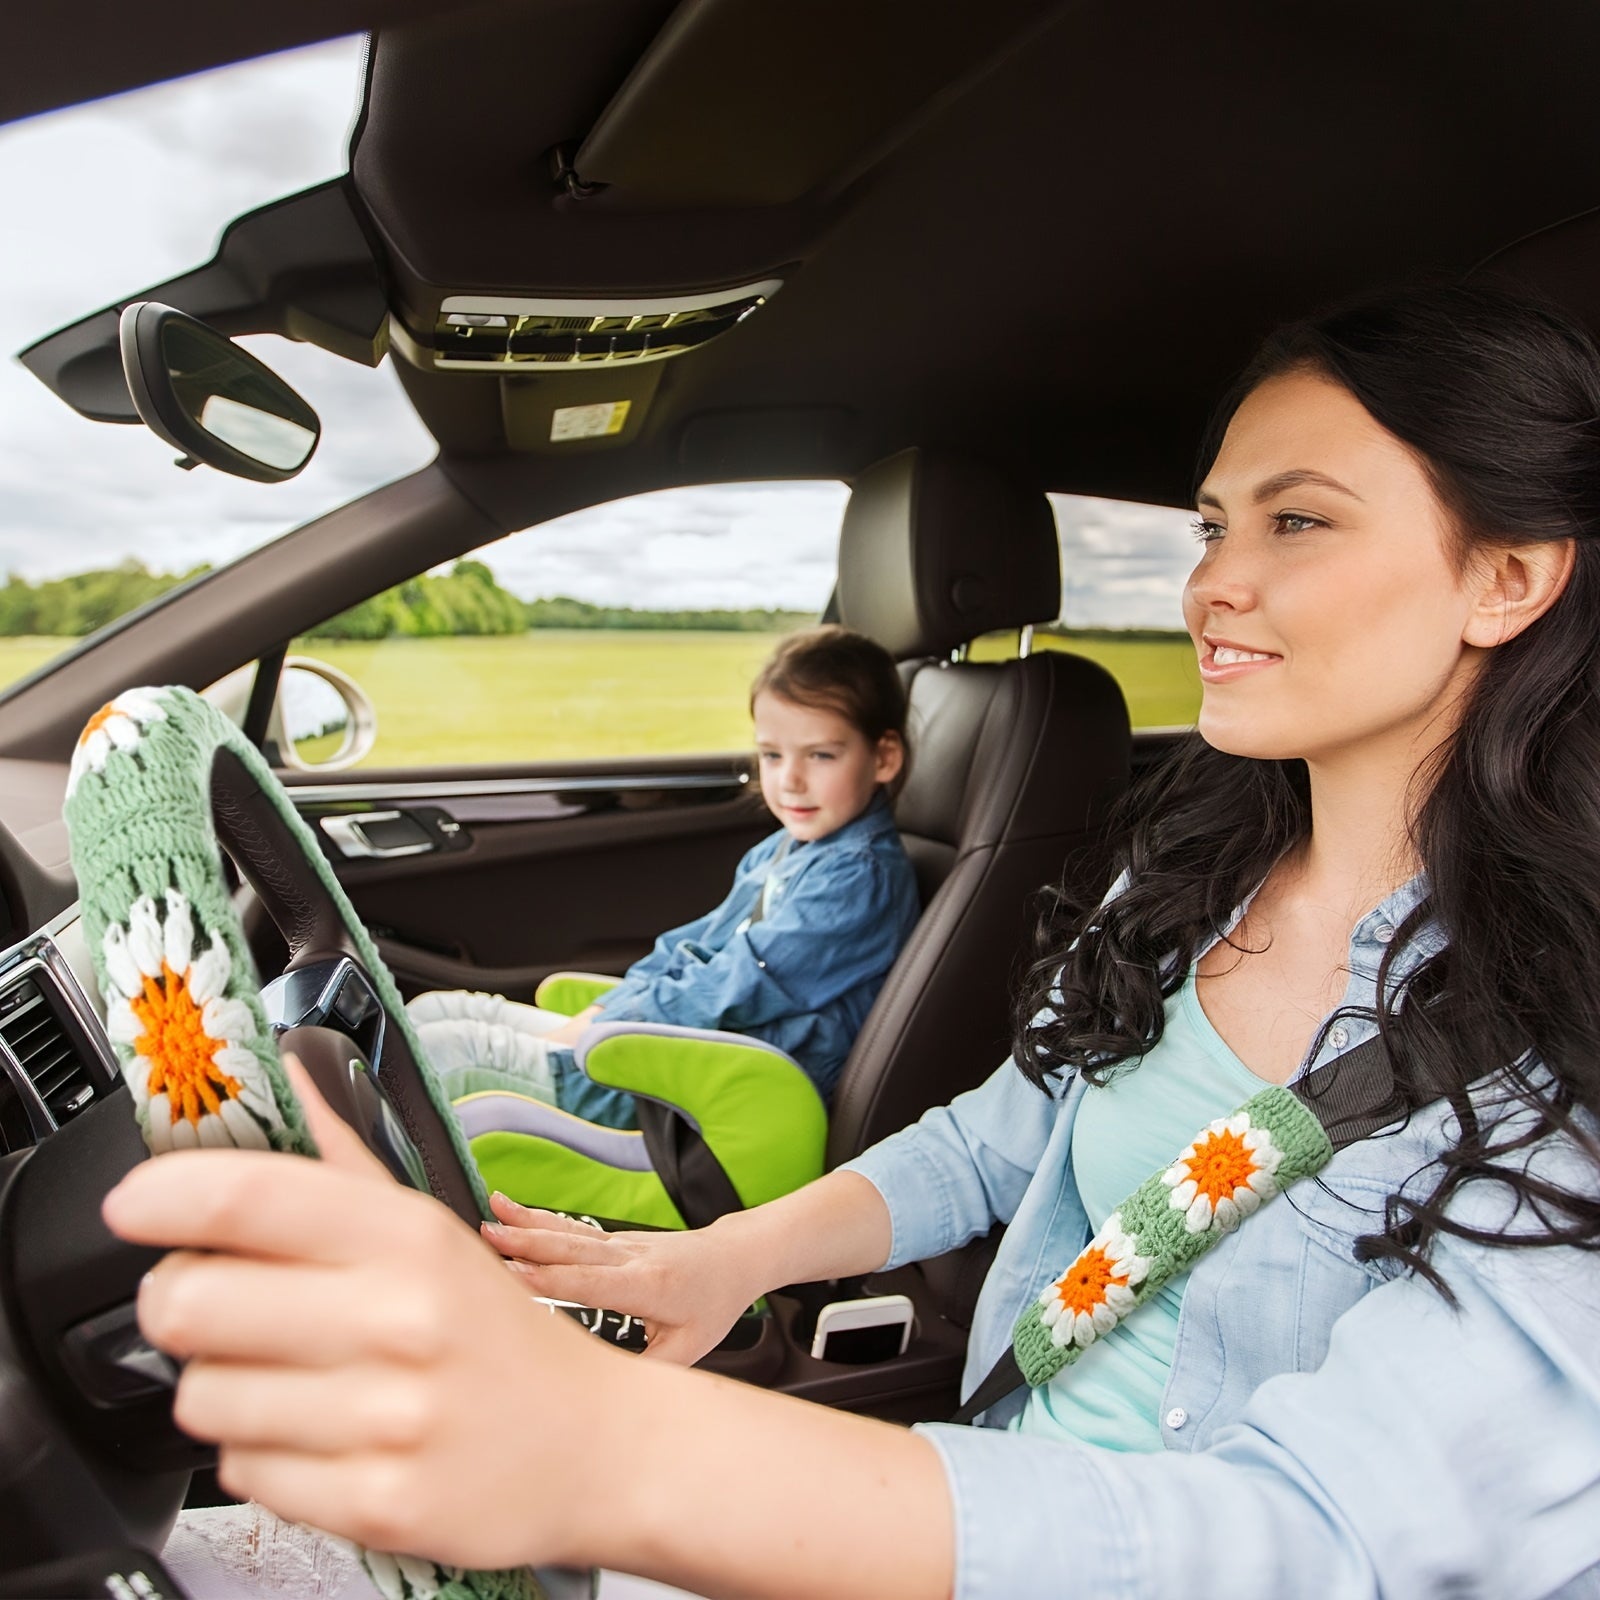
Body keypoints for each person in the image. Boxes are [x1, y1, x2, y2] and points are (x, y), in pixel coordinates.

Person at [116, 280, 1600, 1599]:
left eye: (1299, 519)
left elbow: (1324, 1544)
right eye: (1214, 522)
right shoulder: (1196, 880)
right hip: (978, 1482)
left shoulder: (1566, 1055)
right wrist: (718, 1262)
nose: (1214, 580)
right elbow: (993, 1145)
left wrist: (612, 1452)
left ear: (1508, 578)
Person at [408, 623, 921, 1130]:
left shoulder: (858, 879)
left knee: (445, 1053)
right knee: (435, 1013)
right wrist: (611, 1007)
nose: (789, 780)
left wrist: (605, 1026)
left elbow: (733, 986)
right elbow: (696, 945)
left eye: (821, 755)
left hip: (714, 1089)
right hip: (684, 1048)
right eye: (771, 754)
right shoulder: (788, 846)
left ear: (884, 757)